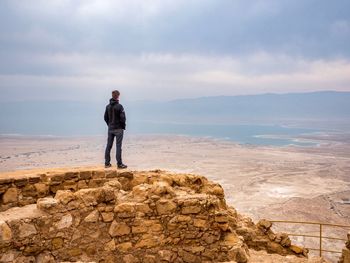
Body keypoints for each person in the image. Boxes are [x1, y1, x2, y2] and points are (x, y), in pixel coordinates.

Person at [104, 90, 127, 169]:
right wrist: (122, 126)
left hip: (110, 129)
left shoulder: (107, 106)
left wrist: (109, 125)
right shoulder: (119, 106)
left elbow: (105, 118)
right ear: (118, 96)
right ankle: (119, 164)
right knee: (118, 146)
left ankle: (107, 163)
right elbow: (123, 118)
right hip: (118, 129)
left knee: (108, 146)